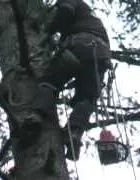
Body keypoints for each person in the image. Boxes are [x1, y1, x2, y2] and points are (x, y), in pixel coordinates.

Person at [31, 0, 111, 161]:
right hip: (100, 55)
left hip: (78, 44)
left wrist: (47, 33)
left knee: (51, 81)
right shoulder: (91, 17)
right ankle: (74, 133)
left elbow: (65, 13)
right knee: (87, 96)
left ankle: (36, 116)